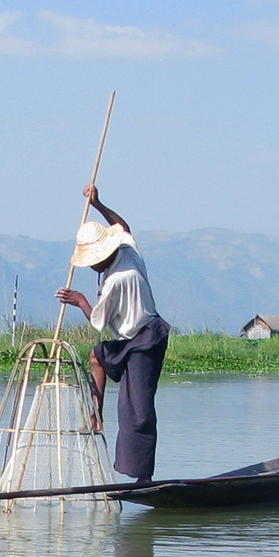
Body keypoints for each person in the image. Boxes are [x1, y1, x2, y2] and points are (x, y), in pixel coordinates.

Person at [55, 186, 170, 483]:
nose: (91, 265)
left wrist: (79, 300)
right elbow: (124, 227)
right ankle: (96, 414)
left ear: (105, 255)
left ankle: (143, 478)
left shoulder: (119, 279)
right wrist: (97, 204)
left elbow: (98, 321)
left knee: (138, 410)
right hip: (128, 339)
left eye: (93, 260)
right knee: (96, 355)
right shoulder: (129, 250)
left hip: (146, 340)